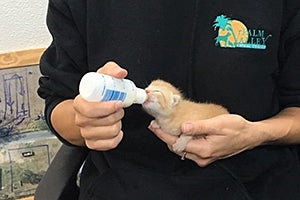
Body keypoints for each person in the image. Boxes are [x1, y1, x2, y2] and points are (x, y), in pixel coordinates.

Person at [38, 0, 300, 199]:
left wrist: (256, 134)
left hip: (256, 183)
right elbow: (59, 99)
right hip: (127, 186)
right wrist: (84, 120)